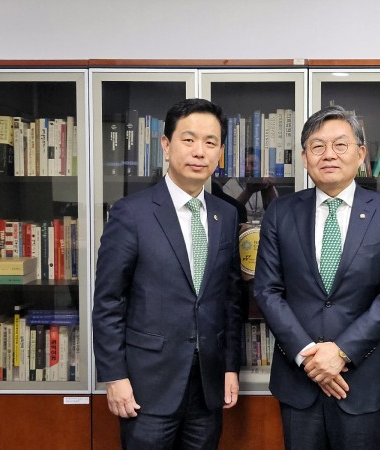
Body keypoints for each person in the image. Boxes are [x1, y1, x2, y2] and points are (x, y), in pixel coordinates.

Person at [253, 105, 380, 450]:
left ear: (360, 154)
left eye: (340, 145)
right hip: (299, 380)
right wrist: (309, 357)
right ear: (304, 157)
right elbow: (267, 290)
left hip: (361, 381)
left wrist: (340, 353)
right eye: (318, 146)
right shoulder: (280, 212)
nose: (329, 154)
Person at [92, 98, 242, 450]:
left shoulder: (226, 214)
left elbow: (231, 299)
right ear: (166, 144)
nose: (199, 151)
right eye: (188, 140)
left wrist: (230, 367)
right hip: (147, 386)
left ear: (220, 152)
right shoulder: (131, 213)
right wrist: (114, 376)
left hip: (207, 385)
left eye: (210, 142)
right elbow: (109, 301)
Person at [222, 153, 278, 221]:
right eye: (244, 164)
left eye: (253, 164)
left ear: (261, 166)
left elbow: (276, 212)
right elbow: (228, 214)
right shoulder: (229, 186)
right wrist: (248, 192)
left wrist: (270, 188)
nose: (248, 168)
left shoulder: (266, 183)